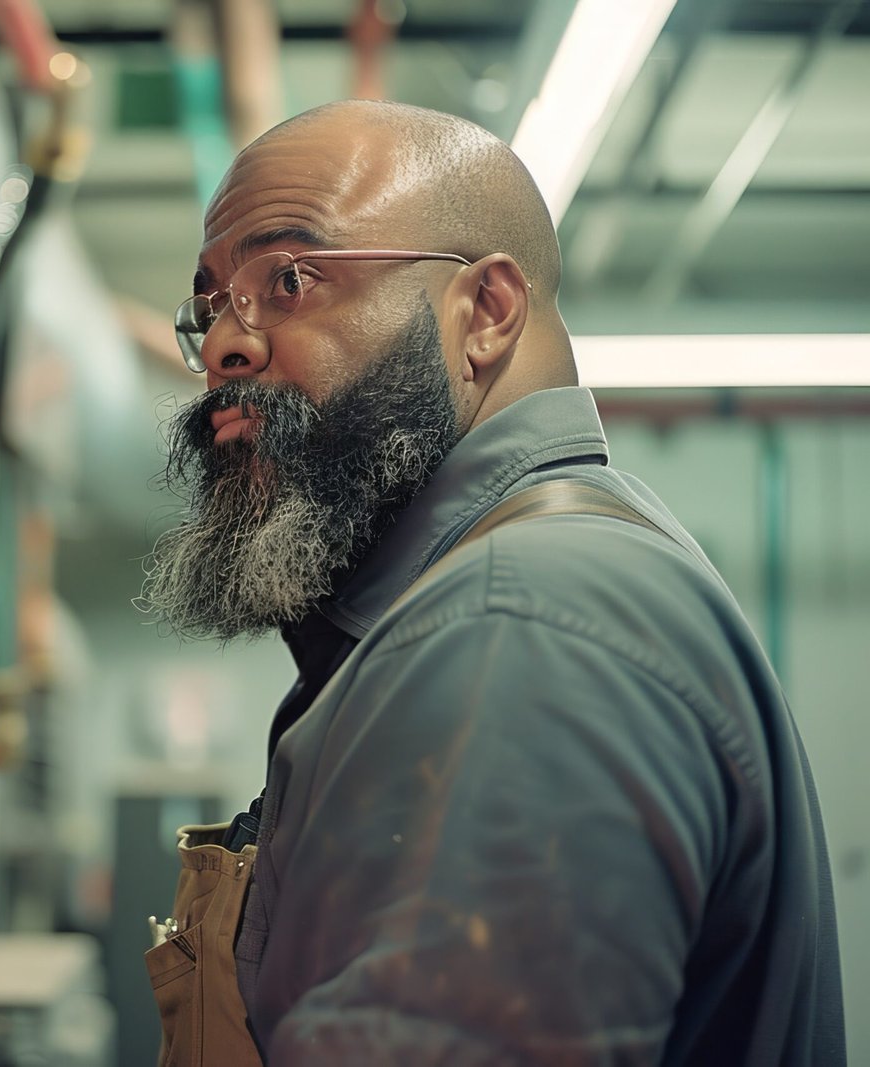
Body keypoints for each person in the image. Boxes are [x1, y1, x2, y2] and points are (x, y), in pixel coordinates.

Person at [139, 100, 844, 1066]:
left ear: (487, 313)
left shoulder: (519, 623)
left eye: (291, 278)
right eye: (212, 304)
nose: (226, 344)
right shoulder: (498, 596)